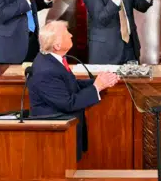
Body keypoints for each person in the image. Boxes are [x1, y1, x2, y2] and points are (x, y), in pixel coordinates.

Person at [28, 20, 120, 156]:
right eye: (66, 33)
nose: (71, 35)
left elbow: (71, 85)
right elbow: (68, 103)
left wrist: (100, 82)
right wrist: (96, 87)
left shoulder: (53, 60)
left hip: (65, 131)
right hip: (56, 139)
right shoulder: (46, 70)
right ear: (57, 45)